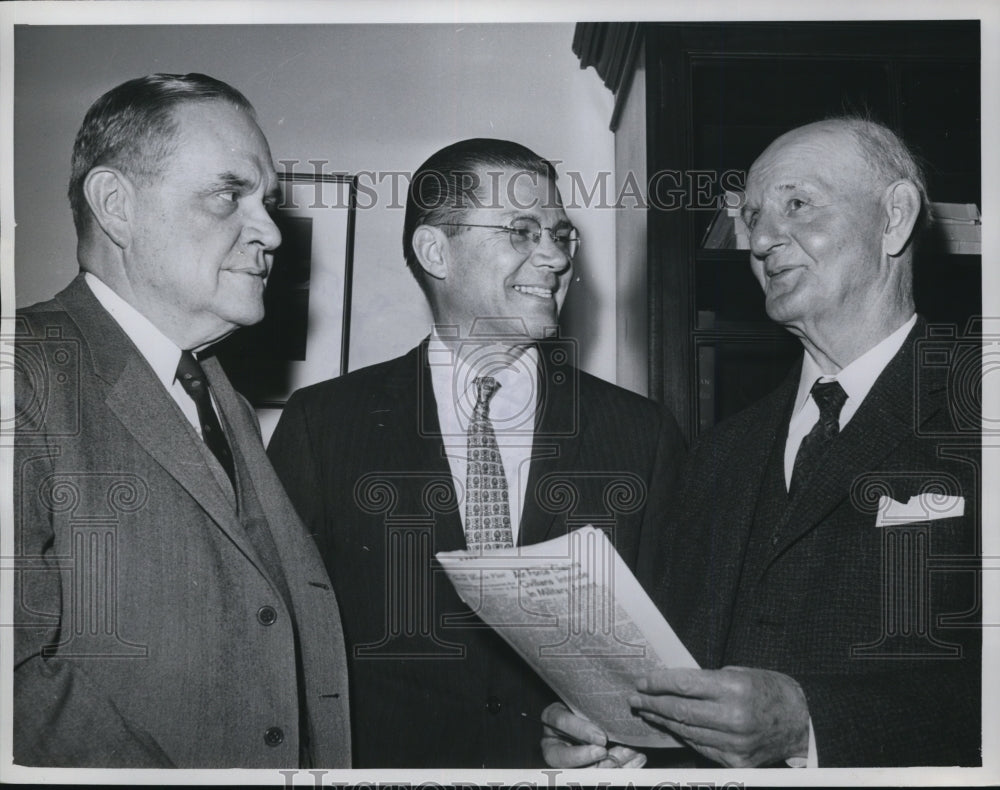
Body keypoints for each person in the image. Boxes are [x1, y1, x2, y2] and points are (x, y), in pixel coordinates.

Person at [542, 118, 981, 768]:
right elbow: (679, 674)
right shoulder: (717, 454)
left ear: (895, 217)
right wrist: (617, 733)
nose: (762, 239)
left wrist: (812, 727)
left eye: (796, 204)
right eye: (752, 216)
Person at [267, 138, 684, 768]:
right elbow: (279, 642)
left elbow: (679, 643)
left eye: (562, 236)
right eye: (522, 231)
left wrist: (641, 749)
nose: (554, 257)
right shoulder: (322, 425)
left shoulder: (642, 434)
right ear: (435, 250)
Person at [12, 73, 351, 768]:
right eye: (230, 195)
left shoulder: (215, 392)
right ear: (117, 206)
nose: (269, 233)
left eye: (267, 203)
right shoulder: (23, 372)